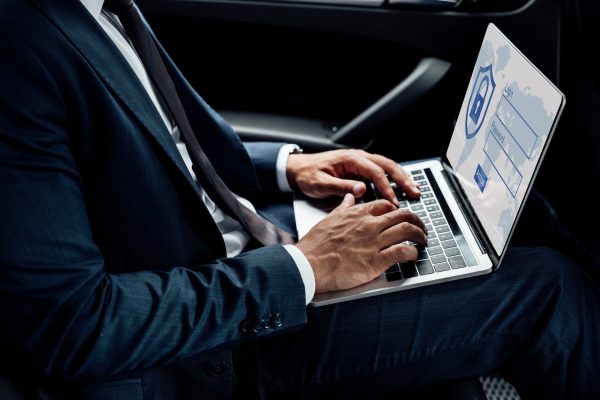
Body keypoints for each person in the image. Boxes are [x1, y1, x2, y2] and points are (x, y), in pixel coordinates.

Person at [0, 0, 598, 399]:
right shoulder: (19, 44)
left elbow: (167, 145)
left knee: (488, 230)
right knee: (550, 287)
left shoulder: (95, 7)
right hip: (211, 342)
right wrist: (306, 267)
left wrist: (289, 168)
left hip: (242, 243)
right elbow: (73, 327)